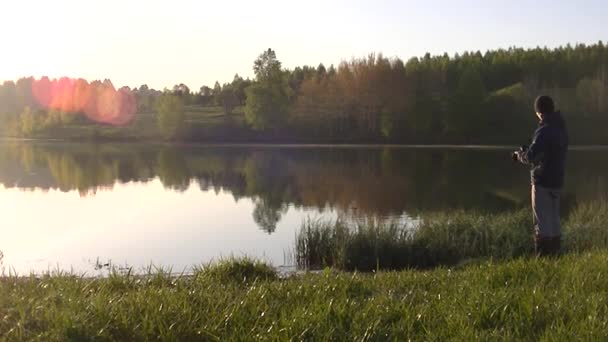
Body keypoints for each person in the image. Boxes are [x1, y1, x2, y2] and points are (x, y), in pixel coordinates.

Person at [513, 95, 568, 256]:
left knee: (541, 222)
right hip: (557, 181)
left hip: (542, 181)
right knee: (553, 220)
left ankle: (543, 257)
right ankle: (556, 256)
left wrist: (519, 155)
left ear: (540, 113)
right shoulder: (561, 128)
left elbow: (532, 156)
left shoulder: (544, 130)